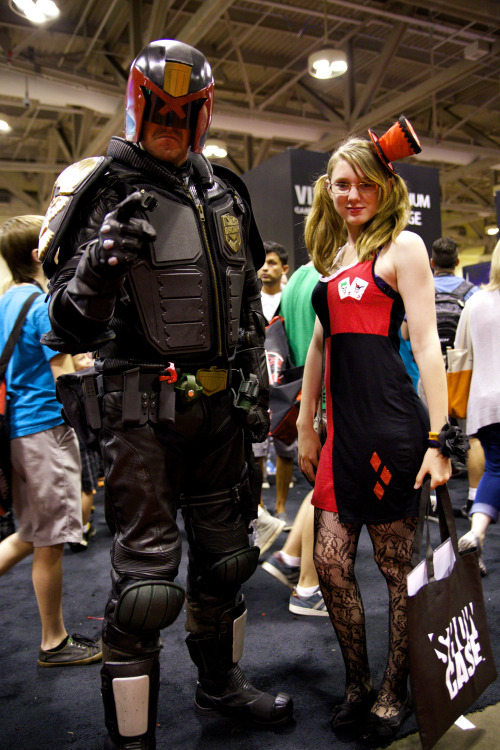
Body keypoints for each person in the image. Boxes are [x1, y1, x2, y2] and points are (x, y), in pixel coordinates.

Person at [38, 39, 292, 750]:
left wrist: (251, 401)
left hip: (221, 416)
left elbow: (246, 313)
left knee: (227, 562)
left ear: (204, 115)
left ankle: (221, 686)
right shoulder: (101, 192)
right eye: (159, 110)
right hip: (140, 420)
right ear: (136, 105)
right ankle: (134, 739)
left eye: (185, 113)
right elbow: (58, 325)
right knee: (147, 586)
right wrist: (96, 269)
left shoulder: (227, 191)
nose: (171, 124)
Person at [297, 117, 458, 744]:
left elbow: (427, 345)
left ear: (386, 187)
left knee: (396, 571)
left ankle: (396, 687)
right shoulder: (335, 254)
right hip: (342, 438)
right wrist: (309, 424)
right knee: (331, 564)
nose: (351, 194)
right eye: (340, 184)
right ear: (327, 191)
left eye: (363, 183)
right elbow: (316, 344)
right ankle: (356, 682)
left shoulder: (404, 247)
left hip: (393, 432)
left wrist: (438, 442)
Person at [0, 214, 102, 668]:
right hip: (45, 429)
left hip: (20, 430)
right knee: (46, 541)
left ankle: (54, 639)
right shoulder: (42, 305)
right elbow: (63, 374)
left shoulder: (8, 301)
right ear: (41, 252)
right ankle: (54, 641)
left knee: (29, 534)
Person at [458, 238, 500, 577]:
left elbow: (460, 353)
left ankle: (475, 532)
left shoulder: (475, 301)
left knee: (495, 468)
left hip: (484, 402)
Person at [253, 241, 295, 529]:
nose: (265, 268)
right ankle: (259, 508)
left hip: (285, 384)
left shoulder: (292, 301)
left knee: (285, 447)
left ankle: (280, 508)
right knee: (256, 447)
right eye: (262, 263)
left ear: (284, 269)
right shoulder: (250, 299)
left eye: (271, 263)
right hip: (256, 384)